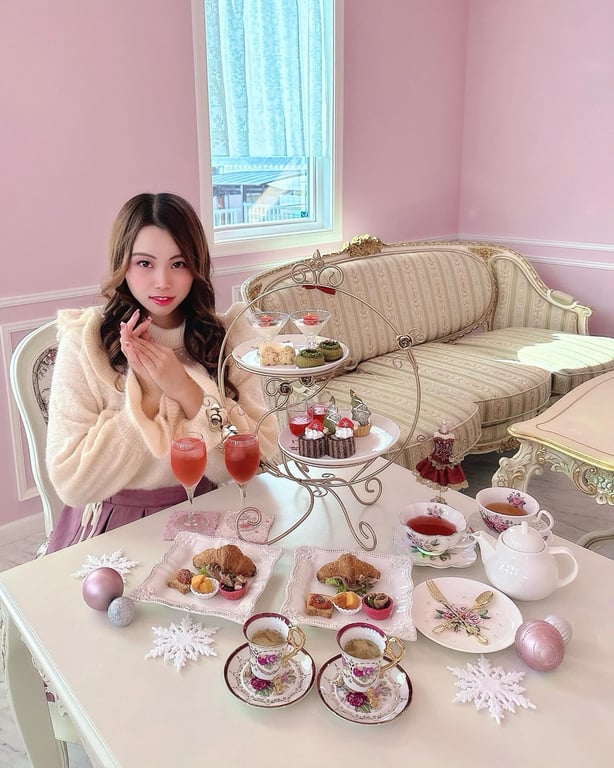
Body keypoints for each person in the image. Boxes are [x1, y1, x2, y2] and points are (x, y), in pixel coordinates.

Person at [45, 192, 279, 553]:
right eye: (144, 263)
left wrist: (187, 392)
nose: (162, 282)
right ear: (122, 264)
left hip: (210, 512)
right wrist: (149, 399)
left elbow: (258, 462)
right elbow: (72, 483)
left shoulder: (230, 338)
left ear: (196, 265)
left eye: (178, 263)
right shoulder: (86, 342)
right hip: (115, 527)